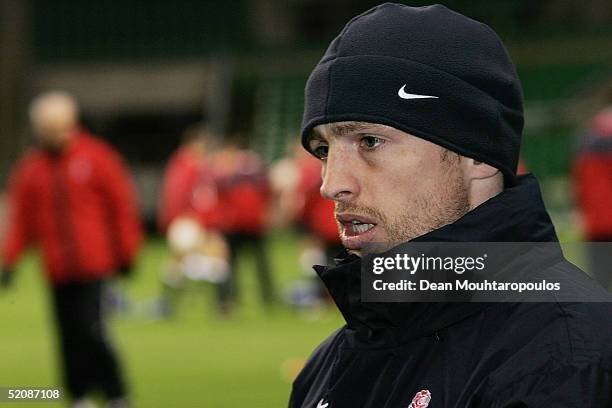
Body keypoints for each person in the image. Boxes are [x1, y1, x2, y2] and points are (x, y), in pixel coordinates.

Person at [289, 4, 612, 408]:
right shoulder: (330, 365)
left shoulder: (564, 361)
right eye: (323, 150)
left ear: (476, 154)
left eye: (369, 142)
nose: (331, 184)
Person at [0, 91, 142, 408]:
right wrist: (10, 260)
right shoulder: (32, 169)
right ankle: (77, 395)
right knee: (67, 337)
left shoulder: (96, 157)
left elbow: (121, 207)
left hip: (94, 263)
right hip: (57, 267)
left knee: (94, 331)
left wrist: (126, 252)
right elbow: (23, 220)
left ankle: (116, 393)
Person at [573, 107, 612, 290]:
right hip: (600, 221)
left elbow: (579, 190)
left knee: (600, 282)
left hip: (596, 223)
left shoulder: (583, 152)